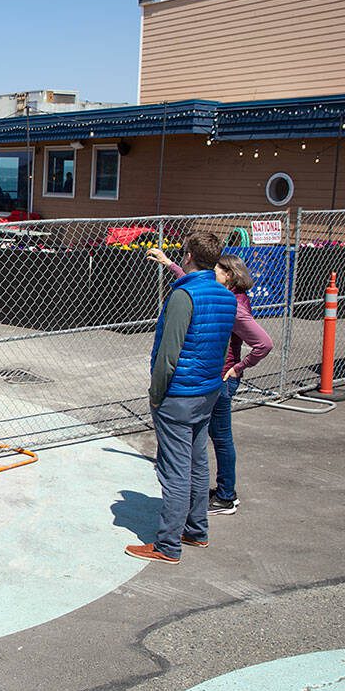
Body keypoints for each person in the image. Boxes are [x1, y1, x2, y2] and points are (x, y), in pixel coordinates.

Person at [126, 231, 236, 565]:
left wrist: (156, 395)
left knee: (174, 469)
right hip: (207, 391)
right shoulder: (225, 296)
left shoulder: (183, 296)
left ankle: (167, 544)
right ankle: (196, 529)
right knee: (197, 461)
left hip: (179, 394)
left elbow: (168, 355)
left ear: (188, 255)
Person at [146, 249, 273, 515]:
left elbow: (263, 343)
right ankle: (218, 495)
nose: (210, 273)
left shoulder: (233, 305)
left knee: (220, 438)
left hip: (220, 379)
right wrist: (171, 264)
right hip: (213, 378)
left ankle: (226, 496)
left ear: (229, 276)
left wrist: (239, 368)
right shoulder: (224, 297)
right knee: (209, 440)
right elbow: (196, 286)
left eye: (216, 270)